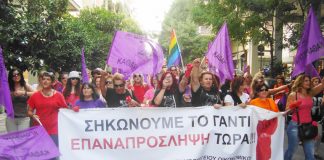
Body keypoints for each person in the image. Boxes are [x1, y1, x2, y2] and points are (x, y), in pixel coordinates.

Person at [284, 74, 324, 160]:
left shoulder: (311, 93)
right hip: (295, 126)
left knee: (310, 154)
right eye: (306, 80)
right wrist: (293, 106)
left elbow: (322, 85)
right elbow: (287, 111)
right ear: (300, 82)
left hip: (308, 126)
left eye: (309, 80)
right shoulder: (293, 95)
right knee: (291, 150)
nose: (308, 82)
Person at [27, 71, 68, 146]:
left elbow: (65, 111)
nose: (45, 81)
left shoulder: (59, 95)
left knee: (54, 154)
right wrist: (32, 115)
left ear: (52, 82)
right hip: (39, 128)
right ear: (41, 81)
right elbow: (29, 111)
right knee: (42, 154)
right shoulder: (35, 96)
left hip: (54, 129)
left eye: (48, 79)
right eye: (43, 79)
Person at [250, 84, 279, 160]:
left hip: (268, 129)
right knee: (258, 150)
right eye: (262, 90)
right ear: (258, 92)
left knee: (266, 150)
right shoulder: (253, 102)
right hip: (257, 130)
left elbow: (276, 115)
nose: (264, 91)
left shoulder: (271, 101)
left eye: (266, 89)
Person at [310, 77, 324, 159]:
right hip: (309, 118)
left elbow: (322, 105)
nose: (317, 83)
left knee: (319, 135)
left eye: (318, 81)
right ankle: (310, 151)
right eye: (315, 81)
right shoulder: (310, 92)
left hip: (318, 117)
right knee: (311, 135)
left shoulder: (321, 93)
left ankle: (315, 151)